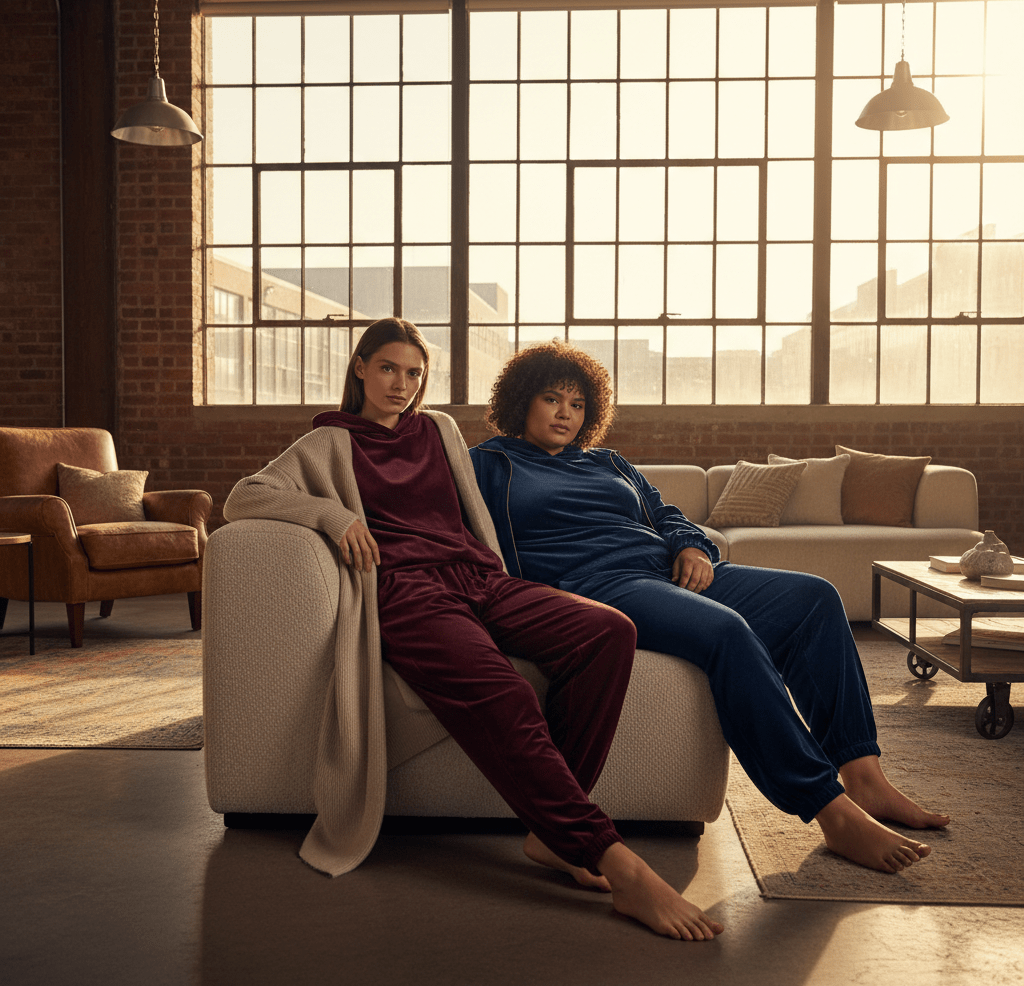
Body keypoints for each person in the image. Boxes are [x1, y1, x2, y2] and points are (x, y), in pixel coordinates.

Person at [223, 318, 724, 941]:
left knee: (608, 633)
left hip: (479, 579)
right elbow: (243, 497)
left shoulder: (439, 430)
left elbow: (475, 516)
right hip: (406, 594)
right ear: (359, 368)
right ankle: (613, 859)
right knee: (506, 693)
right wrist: (328, 513)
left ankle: (552, 834)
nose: (401, 384)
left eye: (414, 373)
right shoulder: (325, 444)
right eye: (387, 369)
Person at [470, 340, 951, 875]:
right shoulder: (489, 465)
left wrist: (693, 545)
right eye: (551, 399)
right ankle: (828, 810)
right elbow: (451, 533)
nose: (566, 413)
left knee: (815, 597)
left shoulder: (608, 462)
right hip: (597, 584)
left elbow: (666, 513)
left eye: (578, 404)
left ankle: (865, 778)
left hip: (667, 569)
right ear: (520, 402)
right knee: (727, 631)